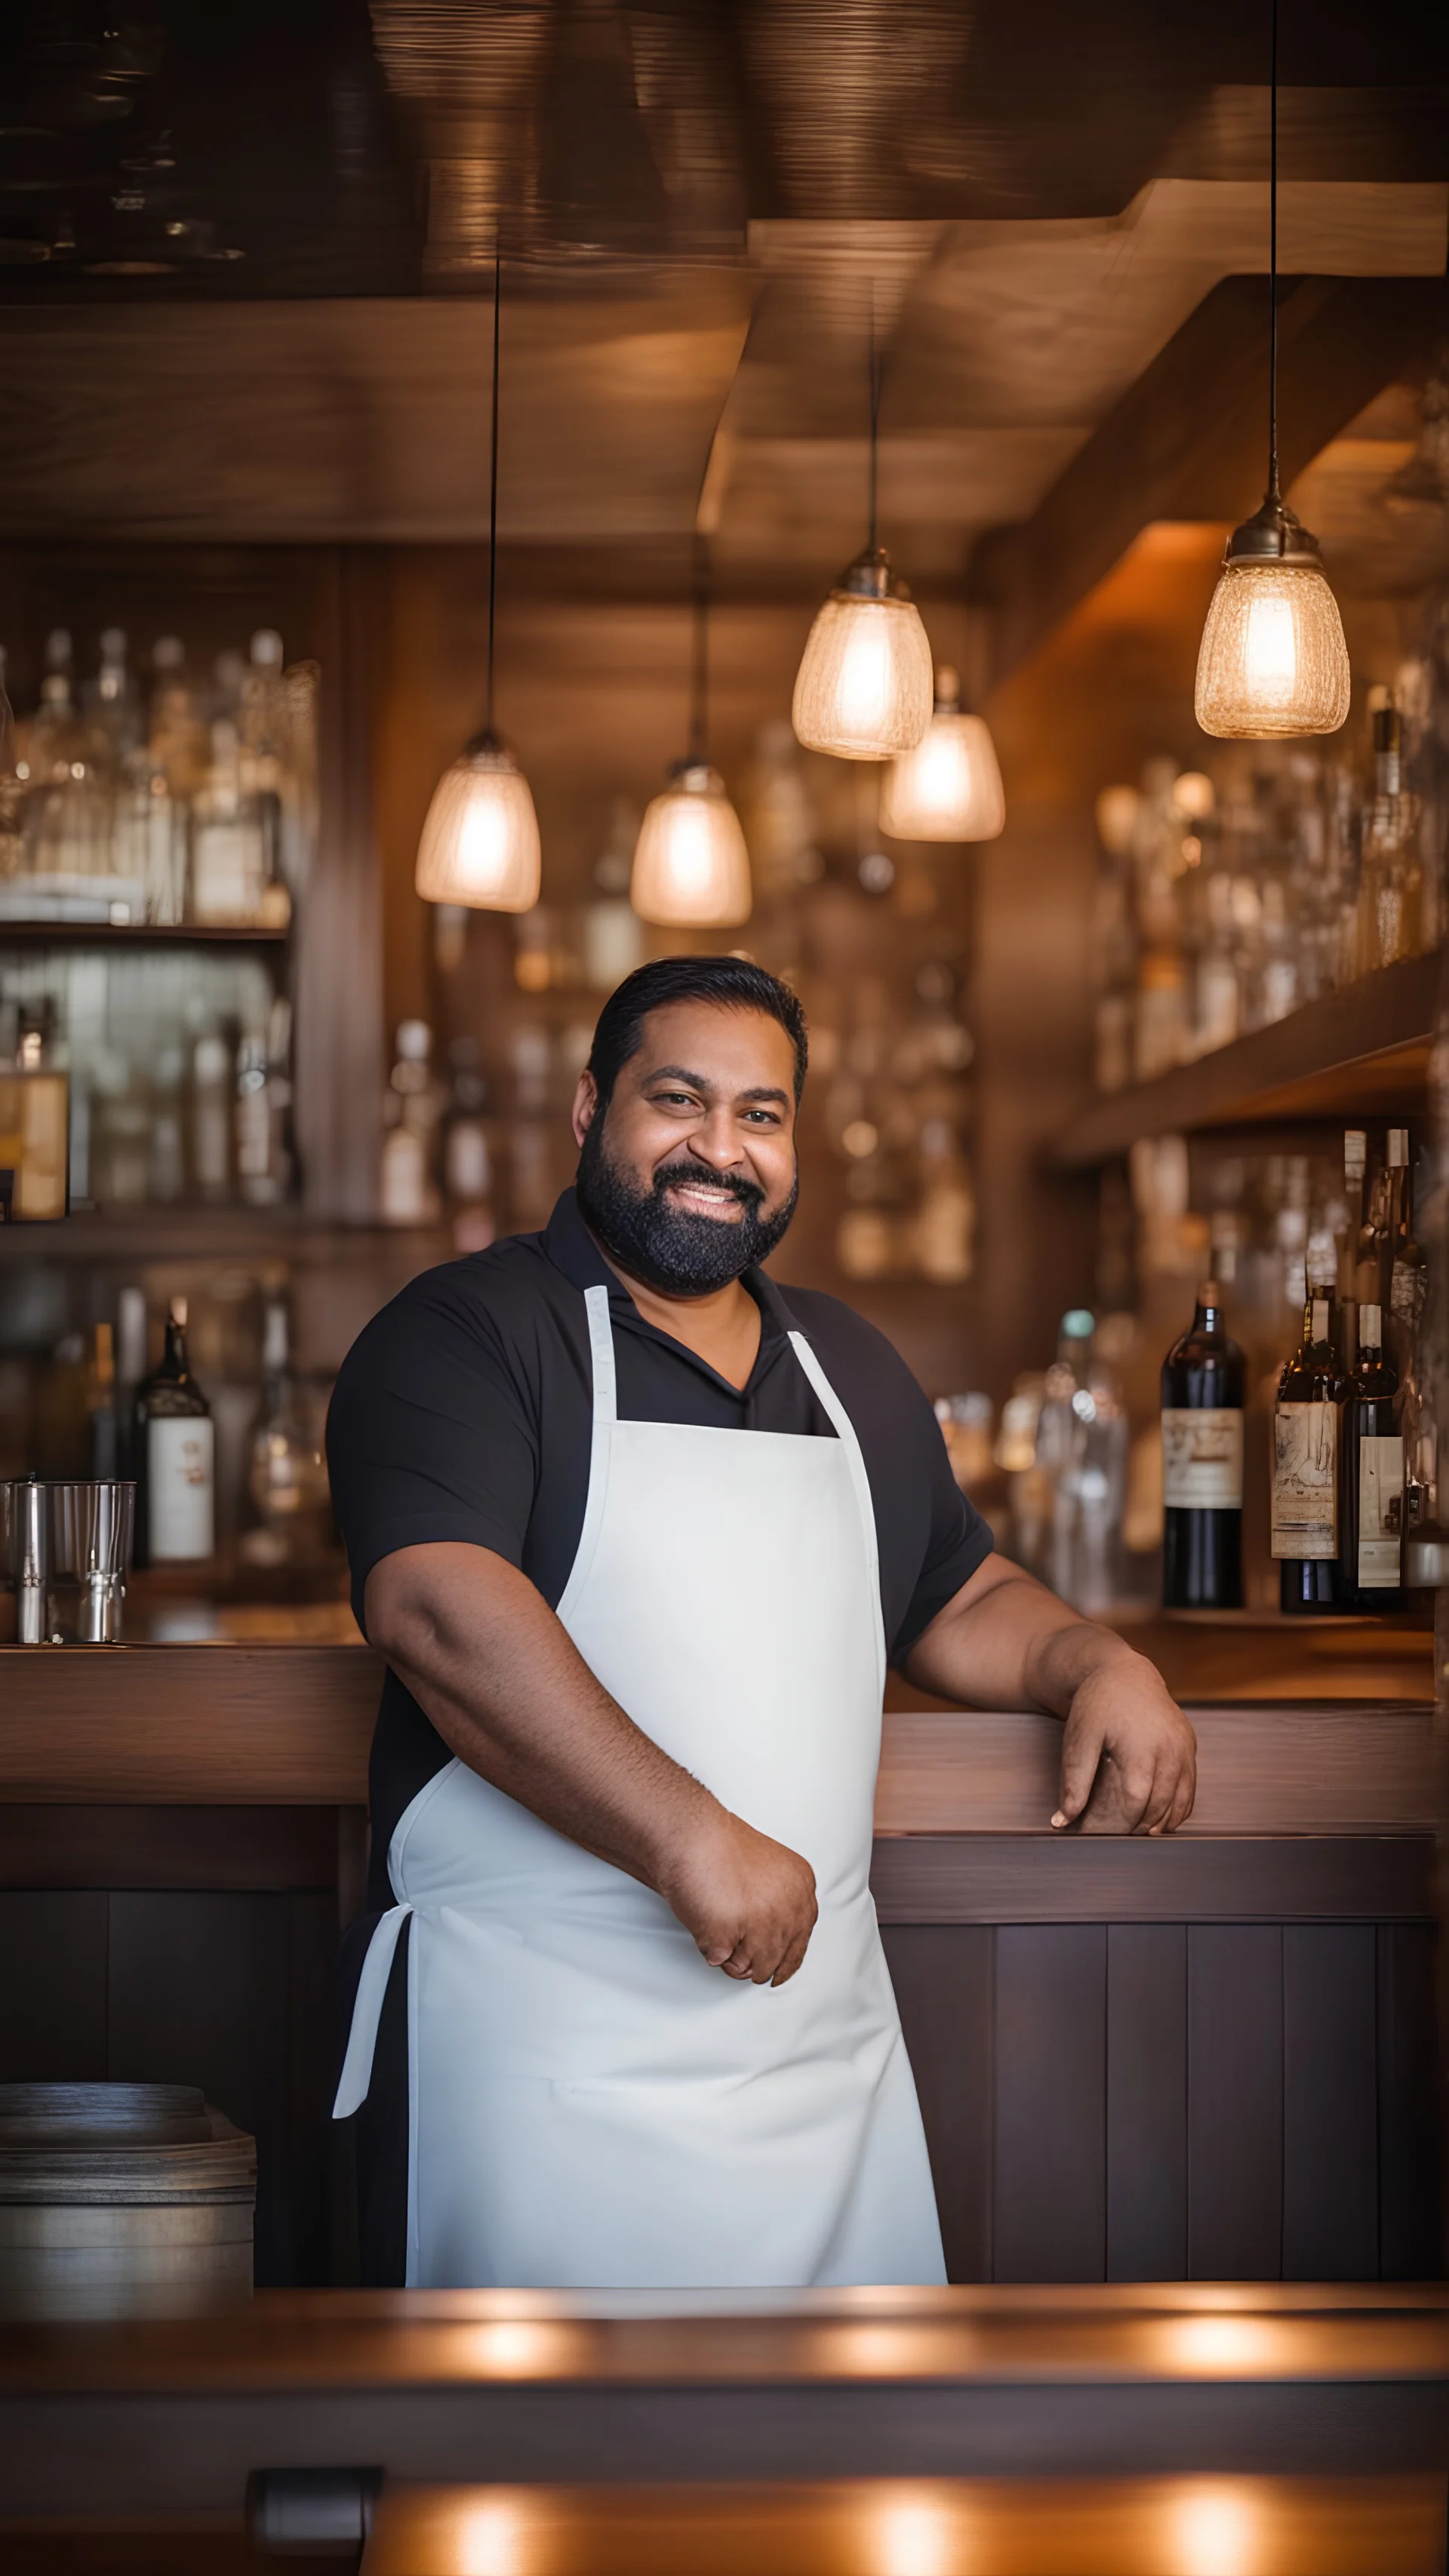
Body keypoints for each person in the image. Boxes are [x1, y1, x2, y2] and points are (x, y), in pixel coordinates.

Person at [328, 955, 1195, 2288]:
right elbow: (438, 1607)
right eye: (679, 1101)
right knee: (533, 2481)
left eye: (763, 1114)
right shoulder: (469, 1332)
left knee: (842, 2479)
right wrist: (688, 1838)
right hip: (542, 2069)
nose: (720, 1150)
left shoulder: (845, 1363)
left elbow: (957, 1597)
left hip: (818, 2074)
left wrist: (1095, 1659)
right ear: (587, 1112)